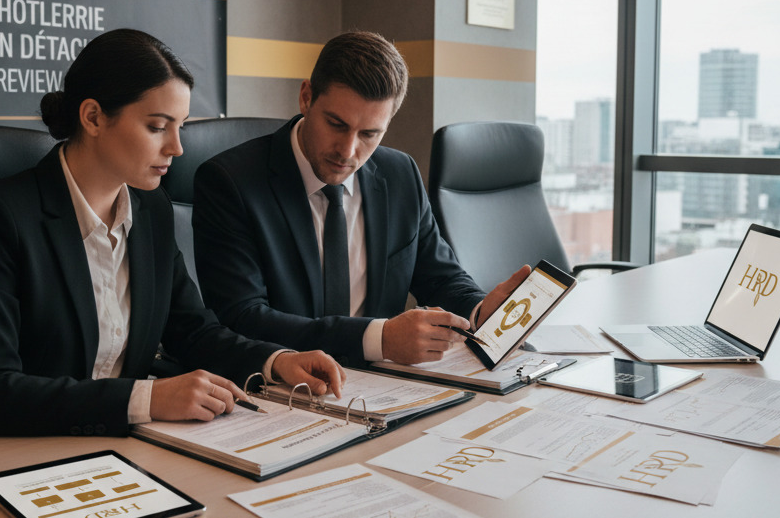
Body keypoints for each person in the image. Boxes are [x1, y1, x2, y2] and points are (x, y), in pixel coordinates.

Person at [0, 28, 344, 437]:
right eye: (157, 127)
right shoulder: (0, 217)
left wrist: (274, 362)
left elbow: (192, 329)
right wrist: (145, 399)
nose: (177, 148)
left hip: (125, 445)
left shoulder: (151, 208)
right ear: (94, 117)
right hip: (26, 450)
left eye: (180, 128)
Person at [192, 31, 531, 366]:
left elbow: (441, 277)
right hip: (281, 387)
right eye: (336, 124)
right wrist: (378, 339)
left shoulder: (400, 174)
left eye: (370, 134)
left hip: (385, 387)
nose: (348, 150)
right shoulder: (230, 182)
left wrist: (482, 310)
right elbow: (243, 317)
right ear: (307, 97)